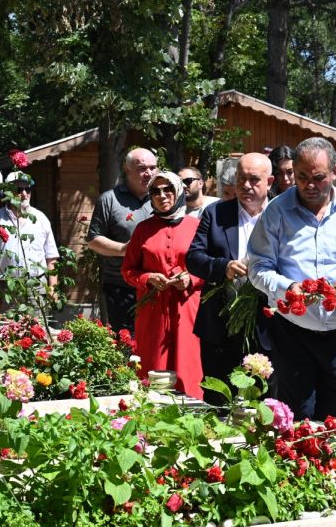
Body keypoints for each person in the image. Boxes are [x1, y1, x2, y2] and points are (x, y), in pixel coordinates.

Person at [246, 137, 336, 421]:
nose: (309, 185)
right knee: (297, 415)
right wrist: (287, 287)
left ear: (335, 172)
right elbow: (258, 267)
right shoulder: (276, 211)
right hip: (293, 332)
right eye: (302, 177)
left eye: (318, 177)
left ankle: (332, 465)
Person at [186, 154, 274, 404]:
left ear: (270, 181)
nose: (246, 185)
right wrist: (223, 267)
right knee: (218, 401)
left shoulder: (282, 214)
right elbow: (193, 258)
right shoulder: (216, 213)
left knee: (262, 403)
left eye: (254, 180)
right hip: (219, 325)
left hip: (267, 328)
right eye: (241, 179)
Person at [122, 172, 205, 398]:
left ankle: (191, 419)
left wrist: (190, 278)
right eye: (155, 191)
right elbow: (128, 270)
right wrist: (148, 278)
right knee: (153, 364)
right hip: (152, 310)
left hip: (187, 308)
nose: (162, 195)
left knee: (187, 363)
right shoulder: (142, 229)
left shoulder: (197, 226)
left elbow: (208, 267)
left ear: (178, 191)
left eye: (168, 189)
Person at [87, 148, 157, 334]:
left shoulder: (164, 198)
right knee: (127, 346)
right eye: (142, 168)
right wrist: (124, 249)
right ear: (127, 169)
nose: (149, 173)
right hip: (121, 288)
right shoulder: (109, 200)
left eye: (153, 167)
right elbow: (93, 239)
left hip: (157, 287)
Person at [0, 171, 60, 309]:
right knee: (7, 329)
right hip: (5, 288)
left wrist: (53, 287)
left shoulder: (40, 219)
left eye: (28, 189)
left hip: (36, 286)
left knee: (37, 328)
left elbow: (51, 258)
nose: (24, 193)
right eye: (18, 189)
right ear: (8, 192)